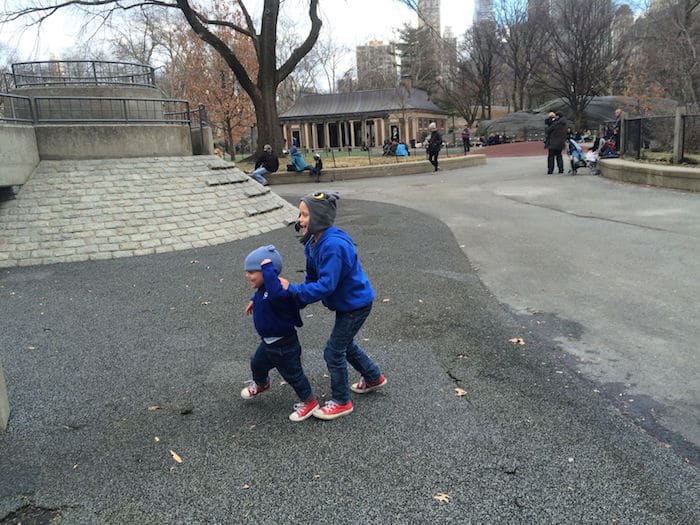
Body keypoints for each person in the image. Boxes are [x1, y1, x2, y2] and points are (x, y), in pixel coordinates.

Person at [281, 191, 387, 420]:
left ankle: (341, 401)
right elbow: (312, 279)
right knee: (344, 345)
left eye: (305, 215)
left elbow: (326, 286)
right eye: (300, 214)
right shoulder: (312, 241)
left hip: (356, 304)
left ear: (319, 217)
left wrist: (292, 289)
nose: (300, 219)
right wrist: (296, 300)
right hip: (347, 303)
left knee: (333, 351)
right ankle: (373, 377)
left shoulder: (333, 246)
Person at [241, 245, 319, 422]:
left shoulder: (279, 291)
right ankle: (262, 383)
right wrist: (253, 301)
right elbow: (262, 293)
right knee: (257, 364)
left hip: (285, 346)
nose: (248, 275)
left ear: (269, 272)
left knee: (294, 375)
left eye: (253, 271)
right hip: (268, 343)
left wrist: (268, 267)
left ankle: (309, 402)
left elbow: (274, 294)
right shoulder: (264, 289)